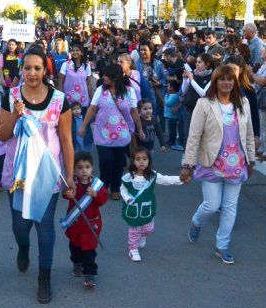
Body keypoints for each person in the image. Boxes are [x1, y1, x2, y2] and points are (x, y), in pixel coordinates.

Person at [0, 47, 76, 304]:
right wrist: (17, 114)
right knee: (21, 225)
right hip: (17, 174)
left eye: (37, 68)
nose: (32, 73)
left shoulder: (59, 99)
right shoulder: (10, 96)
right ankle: (23, 247)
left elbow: (66, 140)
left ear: (45, 70)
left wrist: (70, 177)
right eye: (27, 68)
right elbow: (1, 135)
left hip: (47, 174)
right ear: (22, 69)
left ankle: (44, 276)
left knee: (44, 226)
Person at [181, 65, 256, 265]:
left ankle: (222, 245)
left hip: (237, 163)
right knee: (212, 205)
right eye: (222, 79)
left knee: (230, 206)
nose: (226, 82)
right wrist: (188, 164)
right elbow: (194, 136)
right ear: (215, 82)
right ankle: (197, 222)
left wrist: (251, 159)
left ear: (235, 82)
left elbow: (248, 134)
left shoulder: (243, 102)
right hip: (211, 162)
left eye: (230, 79)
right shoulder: (205, 104)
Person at [79, 63, 144, 201]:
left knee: (119, 163)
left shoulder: (129, 91)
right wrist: (83, 126)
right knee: (106, 162)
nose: (103, 77)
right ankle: (103, 185)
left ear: (114, 77)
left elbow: (133, 111)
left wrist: (140, 129)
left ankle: (115, 187)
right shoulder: (100, 90)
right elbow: (92, 109)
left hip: (122, 135)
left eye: (106, 75)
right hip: (102, 134)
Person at [121, 147, 183, 262]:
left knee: (148, 229)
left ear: (149, 160)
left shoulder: (153, 175)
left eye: (144, 159)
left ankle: (143, 235)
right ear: (133, 161)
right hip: (133, 210)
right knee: (134, 230)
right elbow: (123, 189)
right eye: (138, 159)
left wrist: (181, 179)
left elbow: (166, 180)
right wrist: (127, 198)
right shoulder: (128, 177)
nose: (141, 162)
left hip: (147, 209)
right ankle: (133, 249)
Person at [63, 152, 108, 288]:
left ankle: (90, 274)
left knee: (89, 251)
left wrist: (95, 195)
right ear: (74, 170)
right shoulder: (72, 184)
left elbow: (103, 199)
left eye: (87, 167)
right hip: (76, 224)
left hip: (91, 224)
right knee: (75, 248)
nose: (84, 171)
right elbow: (65, 194)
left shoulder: (97, 185)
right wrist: (67, 193)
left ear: (92, 168)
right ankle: (76, 263)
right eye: (80, 168)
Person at [180, 54, 215, 150]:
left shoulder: (212, 77)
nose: (196, 64)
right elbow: (184, 91)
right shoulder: (194, 74)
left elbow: (203, 94)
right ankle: (187, 159)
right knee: (188, 136)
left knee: (201, 138)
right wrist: (185, 79)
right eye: (196, 62)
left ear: (207, 64)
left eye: (199, 62)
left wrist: (191, 79)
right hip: (189, 109)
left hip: (203, 112)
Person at [59, 43, 94, 110]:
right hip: (68, 100)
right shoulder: (65, 65)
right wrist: (61, 98)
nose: (75, 52)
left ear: (82, 53)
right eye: (73, 51)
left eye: (77, 50)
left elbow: (89, 84)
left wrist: (92, 100)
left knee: (83, 119)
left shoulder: (87, 66)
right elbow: (60, 82)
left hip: (83, 100)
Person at [164, 81, 183, 151]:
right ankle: (171, 140)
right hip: (172, 115)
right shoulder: (174, 94)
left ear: (172, 88)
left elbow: (168, 103)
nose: (168, 87)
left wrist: (166, 95)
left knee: (172, 130)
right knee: (172, 129)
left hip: (172, 116)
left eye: (169, 86)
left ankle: (171, 142)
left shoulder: (174, 95)